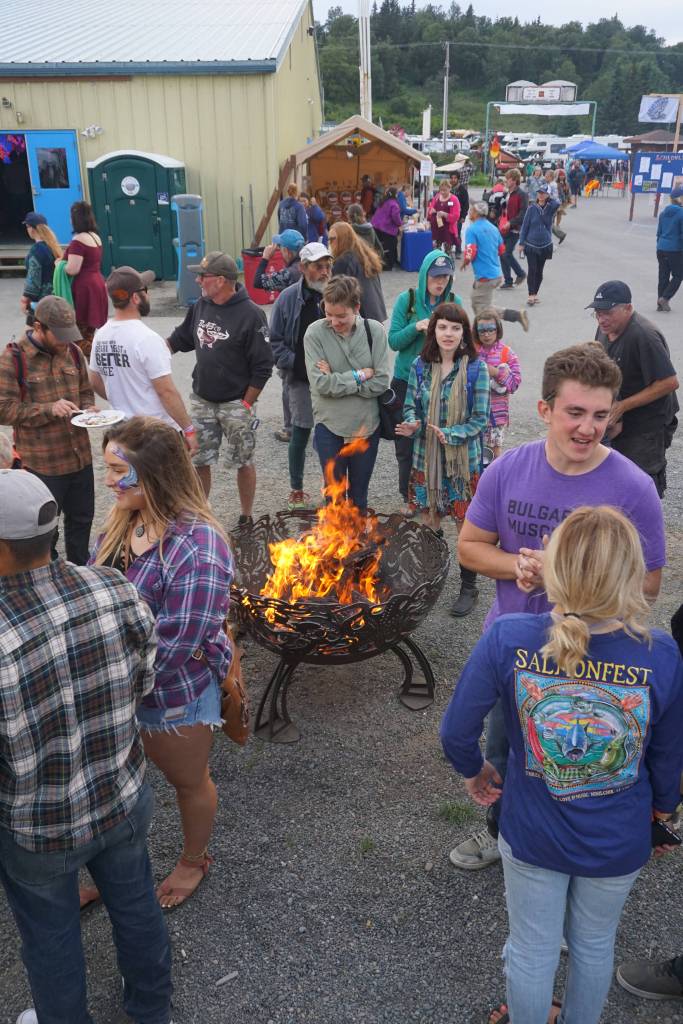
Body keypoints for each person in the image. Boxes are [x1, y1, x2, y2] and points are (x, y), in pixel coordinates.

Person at [441, 505, 683, 1024]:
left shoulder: (508, 636)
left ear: (554, 567)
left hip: (533, 831)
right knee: (595, 945)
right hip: (617, 839)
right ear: (631, 575)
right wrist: (662, 812)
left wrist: (474, 769)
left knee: (532, 947)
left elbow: (457, 729)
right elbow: (668, 754)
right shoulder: (660, 654)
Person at [449, 342, 667, 871]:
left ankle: (575, 855)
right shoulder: (508, 470)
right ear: (545, 409)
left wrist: (573, 577)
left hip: (600, 658)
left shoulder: (633, 487)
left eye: (600, 414)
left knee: (582, 764)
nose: (588, 428)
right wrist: (517, 568)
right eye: (575, 412)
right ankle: (503, 836)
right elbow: (469, 546)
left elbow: (653, 583)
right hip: (517, 650)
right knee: (505, 752)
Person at [0, 469, 172, 1024]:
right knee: (138, 907)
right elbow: (145, 683)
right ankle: (151, 1011)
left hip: (38, 829)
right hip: (120, 794)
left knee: (51, 941)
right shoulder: (115, 586)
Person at [91, 417, 233, 909]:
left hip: (170, 697)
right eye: (106, 467)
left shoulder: (198, 547)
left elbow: (175, 644)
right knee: (112, 784)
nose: (108, 480)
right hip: (114, 687)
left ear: (154, 473)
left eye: (116, 469)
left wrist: (107, 687)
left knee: (188, 783)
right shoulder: (124, 519)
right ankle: (105, 869)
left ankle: (194, 860)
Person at [397, 303, 489, 617]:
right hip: (427, 459)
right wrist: (412, 423)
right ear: (433, 331)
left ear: (464, 334)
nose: (448, 334)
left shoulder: (476, 369)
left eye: (455, 327)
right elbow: (411, 407)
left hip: (462, 463)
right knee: (430, 519)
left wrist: (451, 434)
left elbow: (480, 420)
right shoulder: (419, 366)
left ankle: (468, 585)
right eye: (442, 327)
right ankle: (432, 578)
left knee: (465, 526)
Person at [167, 251, 273, 518]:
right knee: (199, 459)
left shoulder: (252, 314)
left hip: (236, 402)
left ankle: (246, 515)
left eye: (204, 276)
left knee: (243, 460)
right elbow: (180, 339)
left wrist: (246, 404)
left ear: (223, 280)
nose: (199, 281)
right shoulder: (201, 306)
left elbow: (263, 367)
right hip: (203, 400)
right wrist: (151, 352)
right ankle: (200, 514)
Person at [0, 295, 95, 565]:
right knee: (44, 533)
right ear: (39, 327)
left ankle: (80, 575)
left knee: (82, 524)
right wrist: (48, 409)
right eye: (60, 336)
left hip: (81, 460)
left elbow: (86, 392)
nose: (66, 342)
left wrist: (89, 409)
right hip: (43, 466)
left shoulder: (74, 353)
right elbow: (3, 409)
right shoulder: (13, 358)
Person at [304, 275, 390, 513]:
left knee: (359, 498)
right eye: (328, 314)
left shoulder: (375, 332)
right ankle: (336, 547)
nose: (334, 321)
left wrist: (337, 378)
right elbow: (321, 385)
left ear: (357, 308)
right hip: (329, 425)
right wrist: (361, 375)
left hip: (366, 426)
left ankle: (359, 547)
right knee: (334, 497)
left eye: (341, 316)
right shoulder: (314, 334)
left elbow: (382, 382)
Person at [89, 266, 197, 450]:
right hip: (155, 431)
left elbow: (95, 380)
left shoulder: (101, 334)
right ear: (135, 298)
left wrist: (123, 401)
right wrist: (189, 430)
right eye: (146, 290)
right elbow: (166, 392)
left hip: (121, 428)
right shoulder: (147, 338)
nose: (149, 295)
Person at [590, 280, 679, 497]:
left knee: (642, 483)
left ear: (627, 308)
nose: (602, 319)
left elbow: (669, 382)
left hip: (648, 425)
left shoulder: (644, 335)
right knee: (615, 480)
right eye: (598, 312)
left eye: (608, 312)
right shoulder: (604, 329)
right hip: (620, 422)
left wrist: (622, 407)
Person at [388, 250, 462, 511]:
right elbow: (393, 341)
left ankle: (438, 495)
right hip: (406, 381)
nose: (440, 282)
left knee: (439, 439)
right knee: (406, 444)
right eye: (435, 276)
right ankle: (409, 498)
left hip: (441, 383)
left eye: (445, 276)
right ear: (424, 276)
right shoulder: (406, 300)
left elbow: (463, 342)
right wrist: (415, 327)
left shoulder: (454, 302)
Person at [270, 242, 332, 510]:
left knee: (331, 434)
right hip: (300, 378)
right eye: (319, 267)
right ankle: (296, 489)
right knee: (301, 431)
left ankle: (332, 490)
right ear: (303, 268)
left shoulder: (337, 293)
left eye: (328, 266)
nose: (325, 272)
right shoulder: (287, 298)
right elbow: (275, 341)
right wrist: (297, 365)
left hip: (334, 381)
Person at [462, 203, 529, 331]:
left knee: (481, 308)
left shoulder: (472, 229)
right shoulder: (493, 228)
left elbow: (471, 250)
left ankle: (484, 332)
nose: (469, 213)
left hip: (485, 276)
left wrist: (465, 261)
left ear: (476, 213)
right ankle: (514, 316)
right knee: (481, 305)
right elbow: (501, 249)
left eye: (471, 210)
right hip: (495, 274)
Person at [472, 309, 521, 460]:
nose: (486, 334)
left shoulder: (507, 353)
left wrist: (495, 372)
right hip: (472, 413)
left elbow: (515, 384)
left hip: (496, 416)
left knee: (493, 455)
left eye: (490, 330)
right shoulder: (471, 352)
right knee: (473, 453)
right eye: (482, 331)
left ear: (497, 329)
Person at [63, 201, 108, 357]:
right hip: (97, 283)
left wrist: (60, 265)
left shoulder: (78, 240)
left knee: (78, 333)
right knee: (90, 330)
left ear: (75, 218)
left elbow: (73, 269)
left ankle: (91, 363)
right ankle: (95, 363)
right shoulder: (95, 237)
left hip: (84, 288)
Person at [328, 221, 387, 322]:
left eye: (333, 239)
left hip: (363, 317)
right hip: (375, 313)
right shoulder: (364, 255)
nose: (329, 242)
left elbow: (336, 294)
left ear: (343, 239)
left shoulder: (344, 261)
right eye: (329, 239)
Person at [518, 184, 560, 306]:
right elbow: (525, 226)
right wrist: (521, 243)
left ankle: (535, 293)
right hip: (531, 244)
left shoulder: (551, 207)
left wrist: (549, 197)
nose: (540, 195)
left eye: (543, 193)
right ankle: (531, 295)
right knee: (532, 269)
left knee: (539, 271)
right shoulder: (531, 208)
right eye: (539, 193)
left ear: (547, 195)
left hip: (545, 244)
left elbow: (557, 203)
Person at [20, 211, 61, 319]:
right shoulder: (53, 246)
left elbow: (33, 277)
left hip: (40, 302)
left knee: (33, 333)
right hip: (55, 296)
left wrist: (25, 298)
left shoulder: (36, 250)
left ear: (31, 229)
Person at [655, 185, 683, 312]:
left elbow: (659, 232)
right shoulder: (681, 214)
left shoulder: (663, 213)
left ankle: (660, 303)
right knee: (678, 275)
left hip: (661, 248)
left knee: (663, 275)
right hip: (675, 249)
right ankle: (665, 298)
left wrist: (659, 244)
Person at [500, 170, 527, 290]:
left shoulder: (522, 194)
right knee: (502, 254)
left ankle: (521, 274)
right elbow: (504, 209)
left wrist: (511, 223)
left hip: (515, 229)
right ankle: (508, 281)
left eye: (508, 178)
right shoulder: (507, 193)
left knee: (507, 253)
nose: (506, 180)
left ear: (515, 180)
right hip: (503, 227)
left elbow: (523, 213)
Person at [371, 187, 402, 270]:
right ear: (395, 194)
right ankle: (388, 265)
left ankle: (387, 262)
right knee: (390, 246)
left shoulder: (384, 201)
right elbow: (395, 217)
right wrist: (400, 224)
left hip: (377, 226)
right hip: (386, 228)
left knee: (381, 246)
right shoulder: (394, 204)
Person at [428, 179, 461, 255]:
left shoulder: (454, 199)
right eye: (441, 190)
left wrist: (445, 214)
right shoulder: (437, 197)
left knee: (447, 252)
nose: (442, 192)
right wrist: (431, 211)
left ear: (450, 188)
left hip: (448, 229)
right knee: (436, 251)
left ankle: (449, 266)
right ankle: (438, 265)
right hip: (437, 229)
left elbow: (456, 216)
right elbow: (431, 208)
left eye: (445, 190)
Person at [543, 169, 567, 244]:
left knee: (547, 222)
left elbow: (550, 196)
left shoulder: (551, 185)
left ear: (550, 177)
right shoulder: (552, 184)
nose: (545, 178)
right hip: (554, 204)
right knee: (548, 222)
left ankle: (552, 239)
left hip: (552, 205)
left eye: (546, 177)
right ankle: (560, 235)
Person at [450, 171, 469, 257]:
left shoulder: (462, 190)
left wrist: (463, 216)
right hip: (448, 215)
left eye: (455, 178)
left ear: (458, 179)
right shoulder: (449, 188)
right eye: (452, 178)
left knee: (457, 233)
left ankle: (458, 251)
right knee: (448, 233)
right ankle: (448, 250)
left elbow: (466, 204)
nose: (453, 180)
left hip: (458, 216)